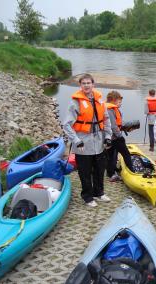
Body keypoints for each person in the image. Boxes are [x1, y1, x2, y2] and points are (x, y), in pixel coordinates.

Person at [63, 73, 113, 207]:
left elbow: (106, 120)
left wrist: (108, 137)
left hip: (99, 141)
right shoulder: (75, 102)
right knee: (85, 172)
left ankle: (99, 192)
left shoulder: (100, 100)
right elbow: (66, 124)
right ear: (80, 85)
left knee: (99, 169)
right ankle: (88, 197)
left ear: (93, 84)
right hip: (83, 144)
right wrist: (76, 140)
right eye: (83, 83)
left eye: (88, 83)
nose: (86, 85)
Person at [105, 90, 133, 182]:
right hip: (115, 138)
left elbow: (118, 123)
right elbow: (113, 126)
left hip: (111, 137)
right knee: (126, 154)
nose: (120, 103)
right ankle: (132, 170)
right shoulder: (110, 110)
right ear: (113, 100)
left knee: (111, 155)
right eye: (119, 101)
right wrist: (120, 136)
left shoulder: (111, 109)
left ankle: (111, 172)